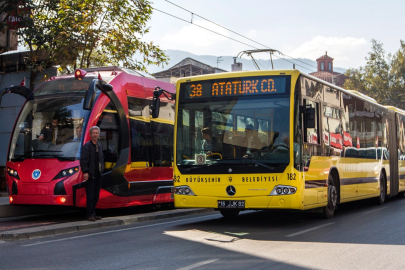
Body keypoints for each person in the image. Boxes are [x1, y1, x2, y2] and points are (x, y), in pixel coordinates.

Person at [80, 126, 104, 221]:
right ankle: (89, 214)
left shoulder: (100, 145)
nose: (95, 134)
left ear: (98, 134)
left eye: (96, 133)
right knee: (90, 195)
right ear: (90, 135)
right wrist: (85, 172)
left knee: (96, 195)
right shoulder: (87, 146)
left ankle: (93, 213)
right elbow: (84, 160)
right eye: (93, 133)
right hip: (90, 174)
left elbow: (101, 159)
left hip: (98, 174)